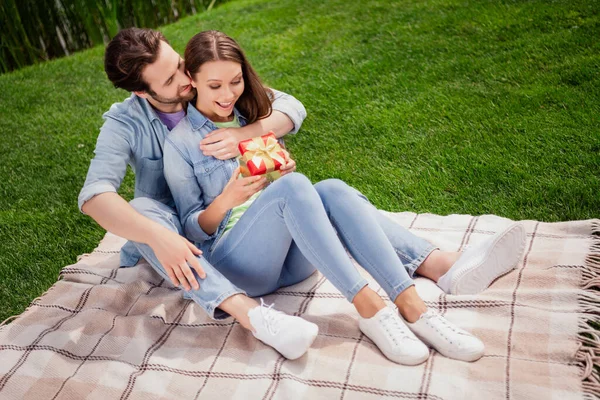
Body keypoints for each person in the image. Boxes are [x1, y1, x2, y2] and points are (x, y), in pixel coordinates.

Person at [163, 30, 527, 366]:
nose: (228, 95)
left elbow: (293, 111)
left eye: (236, 81)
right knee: (295, 187)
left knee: (331, 189)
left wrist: (277, 169)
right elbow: (193, 232)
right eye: (215, 86)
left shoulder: (251, 112)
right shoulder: (180, 143)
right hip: (240, 264)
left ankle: (414, 306)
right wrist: (228, 197)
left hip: (294, 262)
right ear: (191, 81)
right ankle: (371, 309)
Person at [78, 27, 320, 361]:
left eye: (178, 64)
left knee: (328, 200)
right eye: (168, 81)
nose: (185, 79)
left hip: (225, 226)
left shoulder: (203, 85)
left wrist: (243, 134)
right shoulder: (123, 124)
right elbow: (94, 195)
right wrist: (159, 238)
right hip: (173, 231)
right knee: (144, 208)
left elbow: (291, 107)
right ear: (140, 93)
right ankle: (252, 315)